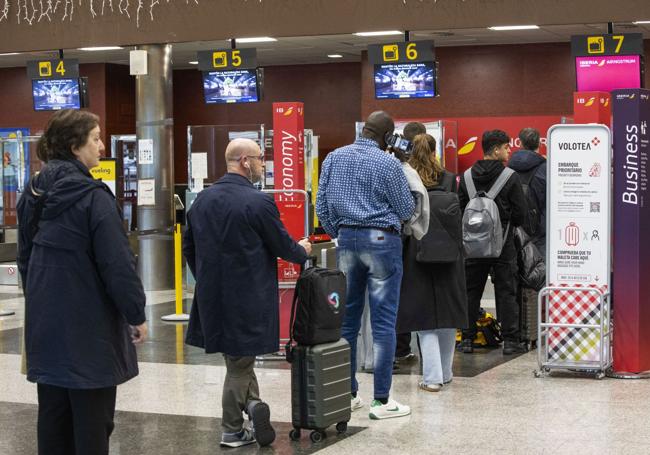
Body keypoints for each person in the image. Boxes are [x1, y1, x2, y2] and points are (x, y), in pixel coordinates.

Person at [16, 109, 147, 455]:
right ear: (76, 147)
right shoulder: (93, 197)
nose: (102, 146)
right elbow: (117, 264)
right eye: (96, 139)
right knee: (92, 423)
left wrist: (42, 300)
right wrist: (136, 313)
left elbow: (25, 260)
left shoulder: (32, 193)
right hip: (91, 331)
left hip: (46, 326)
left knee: (54, 419)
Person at [183, 138, 312, 448]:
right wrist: (303, 249)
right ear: (243, 161)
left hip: (213, 296)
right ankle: (231, 429)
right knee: (241, 363)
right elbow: (283, 246)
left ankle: (253, 406)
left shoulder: (201, 200)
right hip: (248, 295)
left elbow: (189, 248)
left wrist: (208, 279)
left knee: (238, 359)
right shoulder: (258, 202)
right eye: (259, 158)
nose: (262, 163)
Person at [316, 111, 415, 420]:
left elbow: (321, 205)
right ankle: (382, 401)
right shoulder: (389, 163)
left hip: (346, 240)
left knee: (347, 321)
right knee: (384, 323)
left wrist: (340, 233)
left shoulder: (334, 157)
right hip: (382, 241)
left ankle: (348, 395)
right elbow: (406, 208)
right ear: (387, 137)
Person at [397, 134, 467, 392]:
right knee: (448, 314)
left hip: (417, 250)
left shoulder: (407, 178)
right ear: (436, 150)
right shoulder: (449, 178)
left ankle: (432, 377)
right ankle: (446, 373)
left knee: (423, 315)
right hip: (449, 252)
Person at [458, 130, 528, 355]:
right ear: (496, 149)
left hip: (472, 246)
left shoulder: (466, 177)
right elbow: (521, 214)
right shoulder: (510, 177)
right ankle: (510, 341)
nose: (509, 151)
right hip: (503, 244)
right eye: (506, 147)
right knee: (506, 291)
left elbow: (459, 211)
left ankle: (467, 339)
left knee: (470, 291)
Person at [395, 121, 427, 364]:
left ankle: (400, 347)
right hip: (423, 239)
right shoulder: (438, 173)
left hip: (399, 237)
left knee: (398, 293)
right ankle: (427, 346)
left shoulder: (396, 168)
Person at [508, 128, 547, 256]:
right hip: (541, 232)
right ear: (540, 144)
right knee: (541, 272)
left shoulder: (508, 168)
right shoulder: (546, 168)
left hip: (515, 231)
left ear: (519, 143)